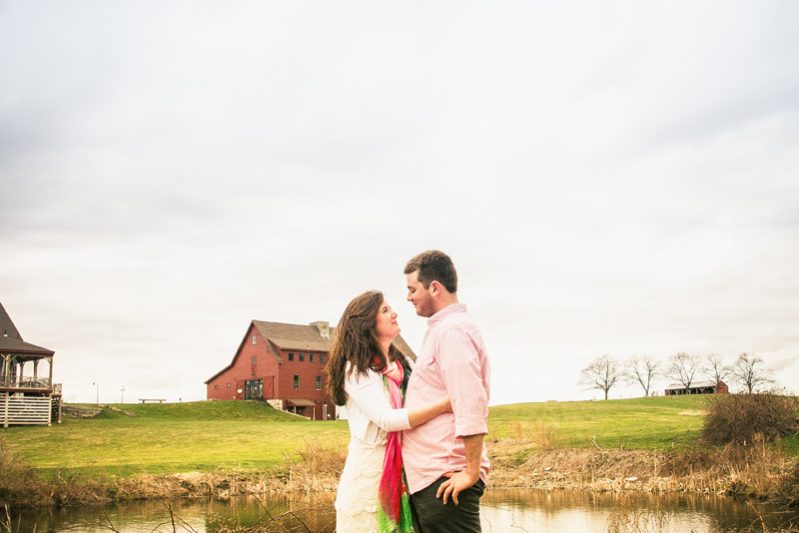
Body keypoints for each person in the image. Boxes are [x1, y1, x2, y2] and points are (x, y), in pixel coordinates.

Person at [327, 290, 451, 532]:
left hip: (407, 470)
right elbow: (387, 419)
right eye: (385, 310)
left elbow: (426, 396)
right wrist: (444, 405)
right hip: (369, 475)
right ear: (367, 323)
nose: (394, 313)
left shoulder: (404, 364)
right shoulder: (357, 370)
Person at [402, 250, 491, 533]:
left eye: (412, 289)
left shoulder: (452, 331)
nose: (408, 297)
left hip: (445, 477)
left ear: (434, 288)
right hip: (433, 478)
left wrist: (471, 471)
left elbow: (469, 402)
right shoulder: (443, 329)